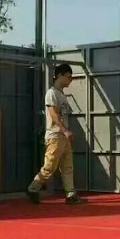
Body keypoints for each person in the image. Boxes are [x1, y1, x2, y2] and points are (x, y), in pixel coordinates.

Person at [26, 63, 81, 205]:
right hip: (55, 136)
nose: (70, 80)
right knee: (50, 166)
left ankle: (70, 194)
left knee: (67, 166)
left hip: (63, 136)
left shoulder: (61, 94)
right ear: (60, 75)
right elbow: (54, 114)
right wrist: (65, 130)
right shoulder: (52, 93)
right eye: (68, 77)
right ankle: (33, 187)